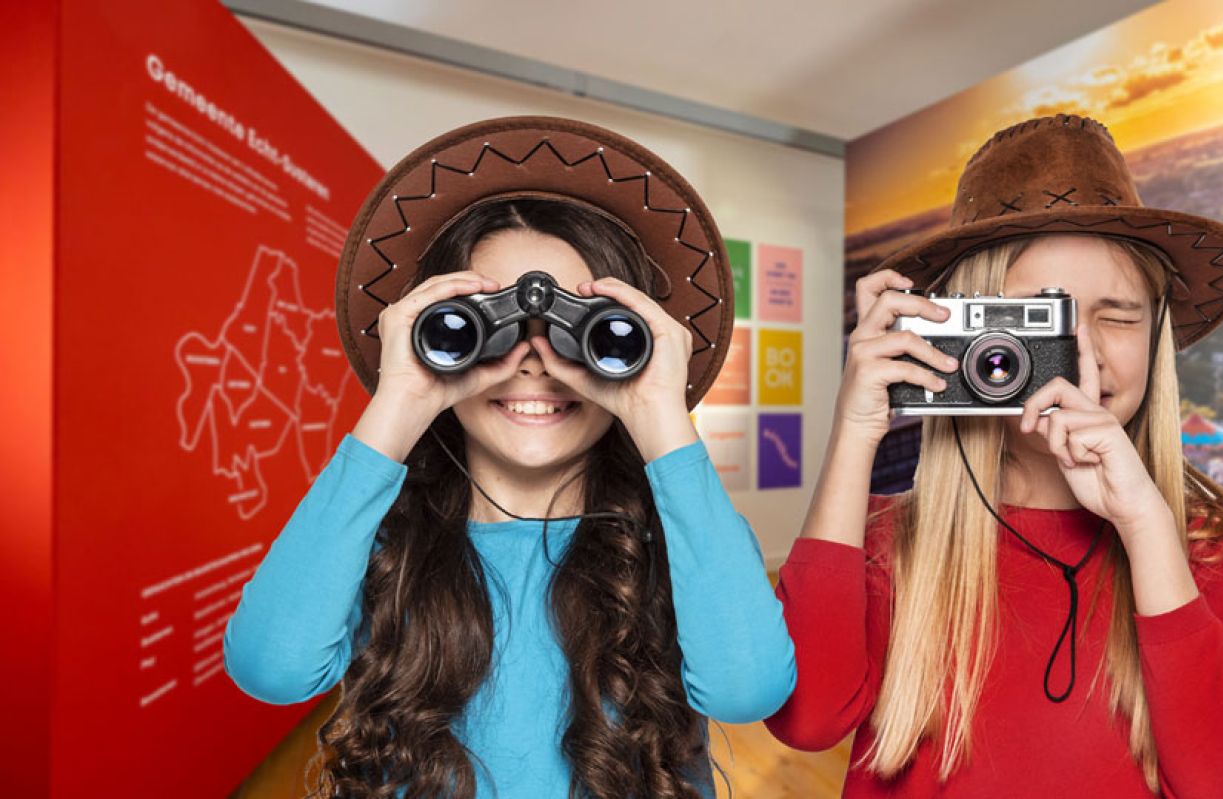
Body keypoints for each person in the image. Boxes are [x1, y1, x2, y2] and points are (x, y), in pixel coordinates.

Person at [223, 117, 795, 799]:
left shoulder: (681, 537)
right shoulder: (384, 543)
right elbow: (271, 667)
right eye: (479, 324)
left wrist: (663, 420)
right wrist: (400, 403)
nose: (533, 362)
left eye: (581, 332)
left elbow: (746, 687)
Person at [765, 114, 1223, 797]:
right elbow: (805, 720)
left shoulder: (1211, 540)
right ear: (961, 340)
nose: (1080, 350)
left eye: (1118, 315)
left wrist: (1149, 531)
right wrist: (854, 433)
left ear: (1155, 341)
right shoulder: (888, 538)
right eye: (1039, 319)